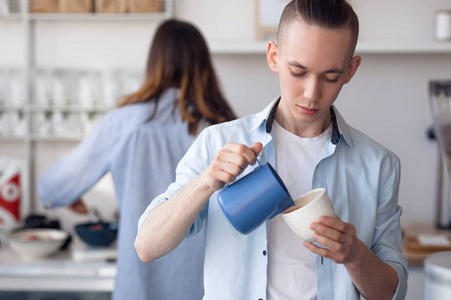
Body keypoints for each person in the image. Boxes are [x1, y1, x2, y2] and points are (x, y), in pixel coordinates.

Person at [135, 0, 408, 299]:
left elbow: (390, 292)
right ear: (274, 56)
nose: (311, 93)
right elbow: (147, 246)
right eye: (298, 72)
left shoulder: (379, 165)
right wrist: (205, 181)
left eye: (330, 77)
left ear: (350, 70)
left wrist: (355, 255)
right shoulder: (218, 143)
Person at [38, 19, 236, 300]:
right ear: (204, 66)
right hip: (202, 289)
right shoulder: (223, 130)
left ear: (154, 63)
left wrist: (69, 193)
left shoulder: (122, 124)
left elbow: (51, 188)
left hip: (137, 288)